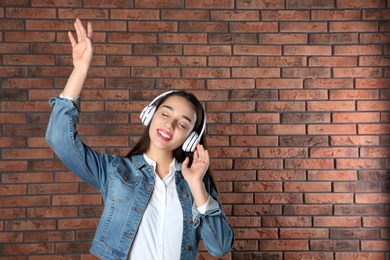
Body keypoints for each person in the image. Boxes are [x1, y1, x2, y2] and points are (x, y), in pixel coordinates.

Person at [45, 18, 234, 260]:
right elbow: (60, 138)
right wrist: (80, 68)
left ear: (190, 138)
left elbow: (220, 247)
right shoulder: (114, 172)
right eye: (165, 113)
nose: (170, 124)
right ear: (149, 115)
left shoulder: (196, 184)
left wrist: (197, 184)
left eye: (183, 124)